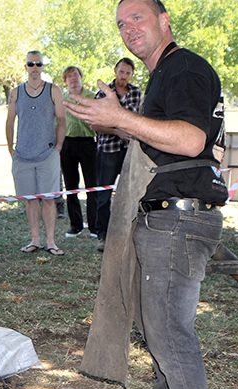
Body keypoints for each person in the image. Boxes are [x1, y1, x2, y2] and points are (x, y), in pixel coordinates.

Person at [66, 0, 228, 389]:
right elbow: (167, 141)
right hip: (170, 219)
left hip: (178, 221)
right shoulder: (164, 74)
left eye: (137, 17)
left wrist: (122, 118)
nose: (128, 28)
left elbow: (191, 140)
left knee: (169, 338)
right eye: (121, 24)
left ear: (164, 20)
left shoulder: (183, 68)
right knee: (162, 339)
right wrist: (118, 122)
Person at [5, 50, 67, 256]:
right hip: (22, 155)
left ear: (42, 66)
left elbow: (61, 120)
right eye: (30, 64)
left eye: (38, 64)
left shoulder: (53, 90)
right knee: (30, 200)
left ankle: (50, 241)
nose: (34, 67)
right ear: (25, 66)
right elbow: (10, 121)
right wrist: (10, 149)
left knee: (49, 199)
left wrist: (58, 147)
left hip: (47, 154)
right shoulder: (16, 92)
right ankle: (35, 240)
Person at [92, 57, 142, 250]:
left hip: (131, 149)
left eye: (127, 73)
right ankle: (102, 236)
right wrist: (116, 130)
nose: (124, 76)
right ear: (115, 71)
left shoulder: (136, 93)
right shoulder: (103, 94)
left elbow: (139, 118)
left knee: (131, 193)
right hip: (108, 150)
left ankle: (127, 234)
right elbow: (95, 124)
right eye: (121, 72)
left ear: (131, 75)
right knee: (104, 193)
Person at [60, 66, 98, 238]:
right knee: (71, 186)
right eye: (69, 77)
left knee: (92, 185)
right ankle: (75, 225)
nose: (73, 79)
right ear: (65, 81)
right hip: (67, 144)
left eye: (75, 76)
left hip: (87, 143)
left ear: (81, 77)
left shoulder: (92, 97)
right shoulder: (61, 98)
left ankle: (94, 226)